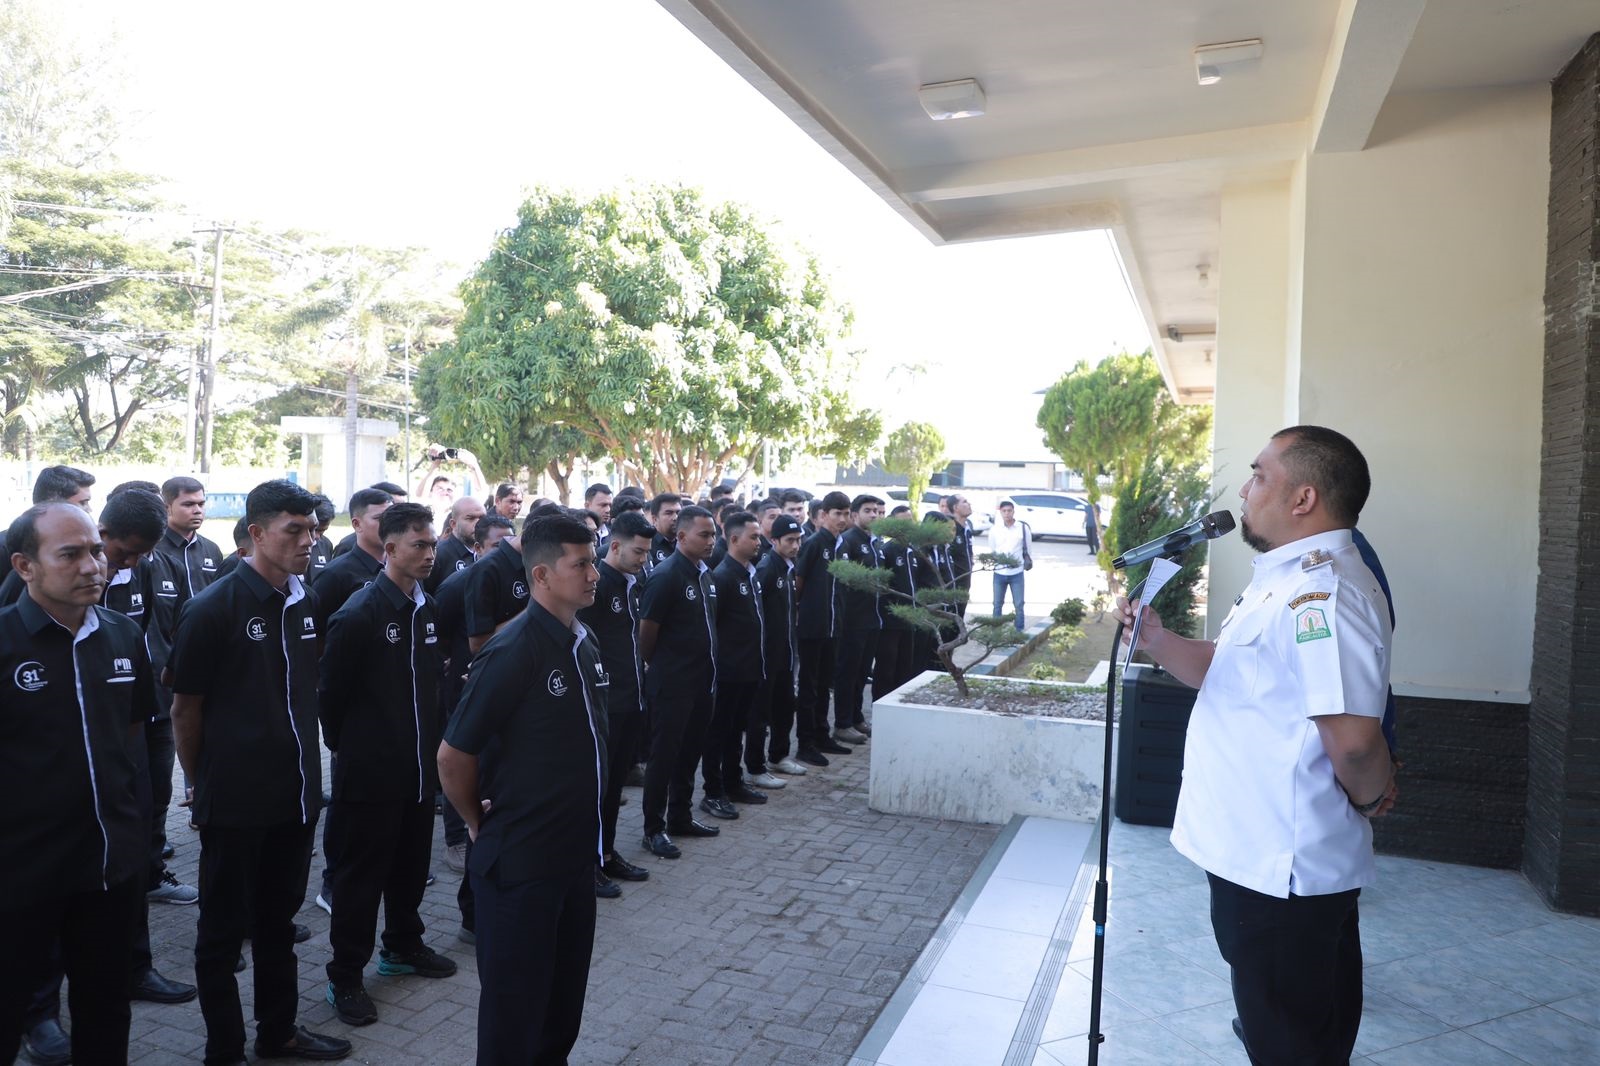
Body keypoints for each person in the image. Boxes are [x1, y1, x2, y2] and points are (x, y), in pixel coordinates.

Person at [1113, 426, 1396, 1065]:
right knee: (1283, 1034)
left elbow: (1352, 741)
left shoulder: (1322, 593)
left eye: (1258, 475)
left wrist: (1374, 795)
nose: (1244, 489)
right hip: (1253, 860)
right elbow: (1225, 669)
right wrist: (1157, 640)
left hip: (1282, 873)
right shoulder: (1282, 579)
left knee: (1293, 1047)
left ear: (1303, 499)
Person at [168, 479, 351, 1064]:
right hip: (235, 800)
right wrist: (200, 785)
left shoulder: (306, 600)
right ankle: (225, 1048)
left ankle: (281, 1033)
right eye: (293, 531)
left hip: (297, 798)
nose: (307, 541)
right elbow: (185, 708)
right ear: (255, 534)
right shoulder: (212, 608)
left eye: (313, 530)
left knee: (279, 924)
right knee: (222, 935)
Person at [437, 513, 609, 1066]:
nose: (592, 574)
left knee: (562, 1010)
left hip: (574, 858)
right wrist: (474, 820)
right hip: (521, 865)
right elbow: (453, 755)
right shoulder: (512, 649)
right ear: (541, 575)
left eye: (594, 561)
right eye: (579, 564)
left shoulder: (582, 640)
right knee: (515, 1017)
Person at [1, 503, 155, 1066]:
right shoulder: (5, 642)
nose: (93, 565)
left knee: (106, 1008)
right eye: (70, 554)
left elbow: (129, 736)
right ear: (25, 566)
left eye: (95, 550)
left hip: (110, 867)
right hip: (21, 873)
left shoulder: (122, 635)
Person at [319, 502, 456, 1026]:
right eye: (418, 545)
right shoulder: (359, 613)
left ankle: (402, 947)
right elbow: (329, 699)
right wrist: (356, 748)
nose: (428, 554)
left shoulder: (427, 607)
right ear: (390, 547)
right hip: (370, 775)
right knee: (359, 880)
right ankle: (345, 976)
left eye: (431, 544)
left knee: (410, 867)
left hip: (419, 770)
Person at [637, 505, 722, 859]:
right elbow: (647, 633)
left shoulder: (705, 574)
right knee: (665, 757)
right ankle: (653, 829)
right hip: (672, 684)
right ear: (682, 536)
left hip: (703, 681)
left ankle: (680, 816)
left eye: (713, 535)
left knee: (690, 752)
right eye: (704, 535)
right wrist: (662, 666)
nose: (711, 542)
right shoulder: (667, 575)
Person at [577, 510, 654, 898]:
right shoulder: (597, 585)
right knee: (598, 788)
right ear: (617, 545)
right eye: (638, 552)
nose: (643, 560)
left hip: (631, 698)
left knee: (614, 788)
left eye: (646, 553)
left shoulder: (633, 582)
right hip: (606, 702)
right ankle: (588, 864)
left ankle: (606, 853)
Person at [702, 510, 782, 819]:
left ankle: (733, 783)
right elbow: (714, 627)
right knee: (718, 732)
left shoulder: (749, 573)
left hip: (749, 670)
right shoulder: (722, 576)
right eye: (753, 537)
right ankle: (712, 791)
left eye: (760, 536)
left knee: (737, 731)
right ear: (734, 539)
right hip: (727, 673)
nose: (759, 542)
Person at [793, 491, 853, 766]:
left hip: (834, 626)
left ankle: (822, 735)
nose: (842, 519)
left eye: (845, 513)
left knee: (825, 684)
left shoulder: (843, 545)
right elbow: (800, 582)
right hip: (812, 627)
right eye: (837, 514)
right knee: (809, 687)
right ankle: (805, 743)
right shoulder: (815, 543)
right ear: (824, 515)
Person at [758, 515, 809, 776]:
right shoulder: (768, 568)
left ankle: (779, 755)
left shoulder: (790, 567)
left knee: (785, 707)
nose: (795, 545)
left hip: (788, 652)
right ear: (774, 540)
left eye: (798, 540)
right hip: (768, 655)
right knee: (761, 712)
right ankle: (756, 765)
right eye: (789, 540)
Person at [832, 494, 884, 743]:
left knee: (862, 673)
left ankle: (856, 718)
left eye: (875, 510)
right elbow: (843, 583)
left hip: (873, 620)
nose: (873, 515)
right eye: (867, 510)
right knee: (848, 673)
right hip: (853, 622)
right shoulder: (849, 541)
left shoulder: (876, 541)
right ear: (854, 515)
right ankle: (842, 723)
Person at [153, 476, 227, 608]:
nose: (197, 510)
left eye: (201, 504)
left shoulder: (211, 549)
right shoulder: (152, 549)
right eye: (188, 504)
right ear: (167, 508)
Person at [429, 495, 485, 595]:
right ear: (453, 524)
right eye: (470, 518)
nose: (478, 524)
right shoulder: (438, 554)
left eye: (482, 518)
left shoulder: (489, 551)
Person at [990, 500, 1030, 632]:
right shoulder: (995, 529)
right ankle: (996, 631)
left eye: (1009, 511)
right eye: (1004, 511)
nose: (1007, 513)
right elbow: (993, 550)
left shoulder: (1022, 528)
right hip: (999, 573)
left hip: (1017, 573)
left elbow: (1028, 549)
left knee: (1019, 604)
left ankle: (1019, 630)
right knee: (997, 604)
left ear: (1013, 511)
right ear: (1000, 512)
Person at [644, 492, 682, 573]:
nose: (675, 518)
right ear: (655, 519)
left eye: (678, 513)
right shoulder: (647, 545)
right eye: (669, 513)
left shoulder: (685, 544)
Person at [307, 495, 336, 585]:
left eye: (322, 531)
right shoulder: (288, 544)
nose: (316, 536)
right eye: (313, 529)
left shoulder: (326, 545)